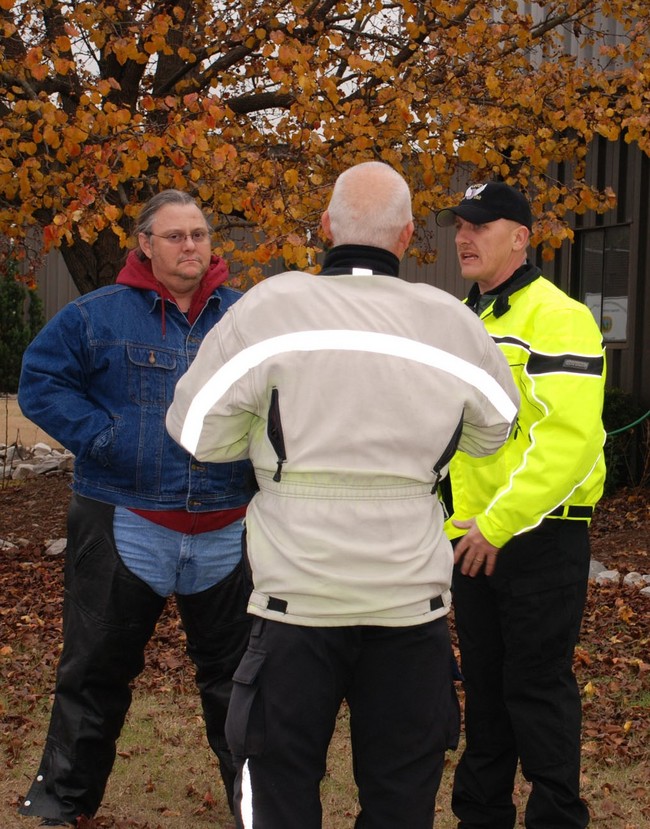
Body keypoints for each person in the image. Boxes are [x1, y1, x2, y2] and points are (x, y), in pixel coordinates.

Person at [166, 161, 520, 829]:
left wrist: (262, 433)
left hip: (296, 601)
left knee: (277, 792)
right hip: (409, 604)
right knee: (401, 801)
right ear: (408, 234)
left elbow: (194, 429)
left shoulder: (268, 308)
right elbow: (495, 430)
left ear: (327, 226)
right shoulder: (453, 322)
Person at [17, 190, 257, 827]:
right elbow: (40, 381)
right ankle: (63, 805)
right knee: (94, 673)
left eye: (199, 234)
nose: (191, 246)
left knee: (240, 685)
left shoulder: (245, 319)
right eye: (175, 236)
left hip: (228, 527)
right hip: (127, 521)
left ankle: (258, 809)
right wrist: (107, 439)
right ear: (145, 245)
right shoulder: (96, 315)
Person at [435, 181, 607, 829]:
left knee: (535, 688)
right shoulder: (462, 320)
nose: (464, 237)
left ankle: (557, 817)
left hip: (537, 538)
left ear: (521, 237)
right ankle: (480, 816)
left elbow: (568, 441)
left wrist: (499, 523)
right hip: (472, 540)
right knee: (484, 691)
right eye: (460, 226)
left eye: (480, 226)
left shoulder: (559, 317)